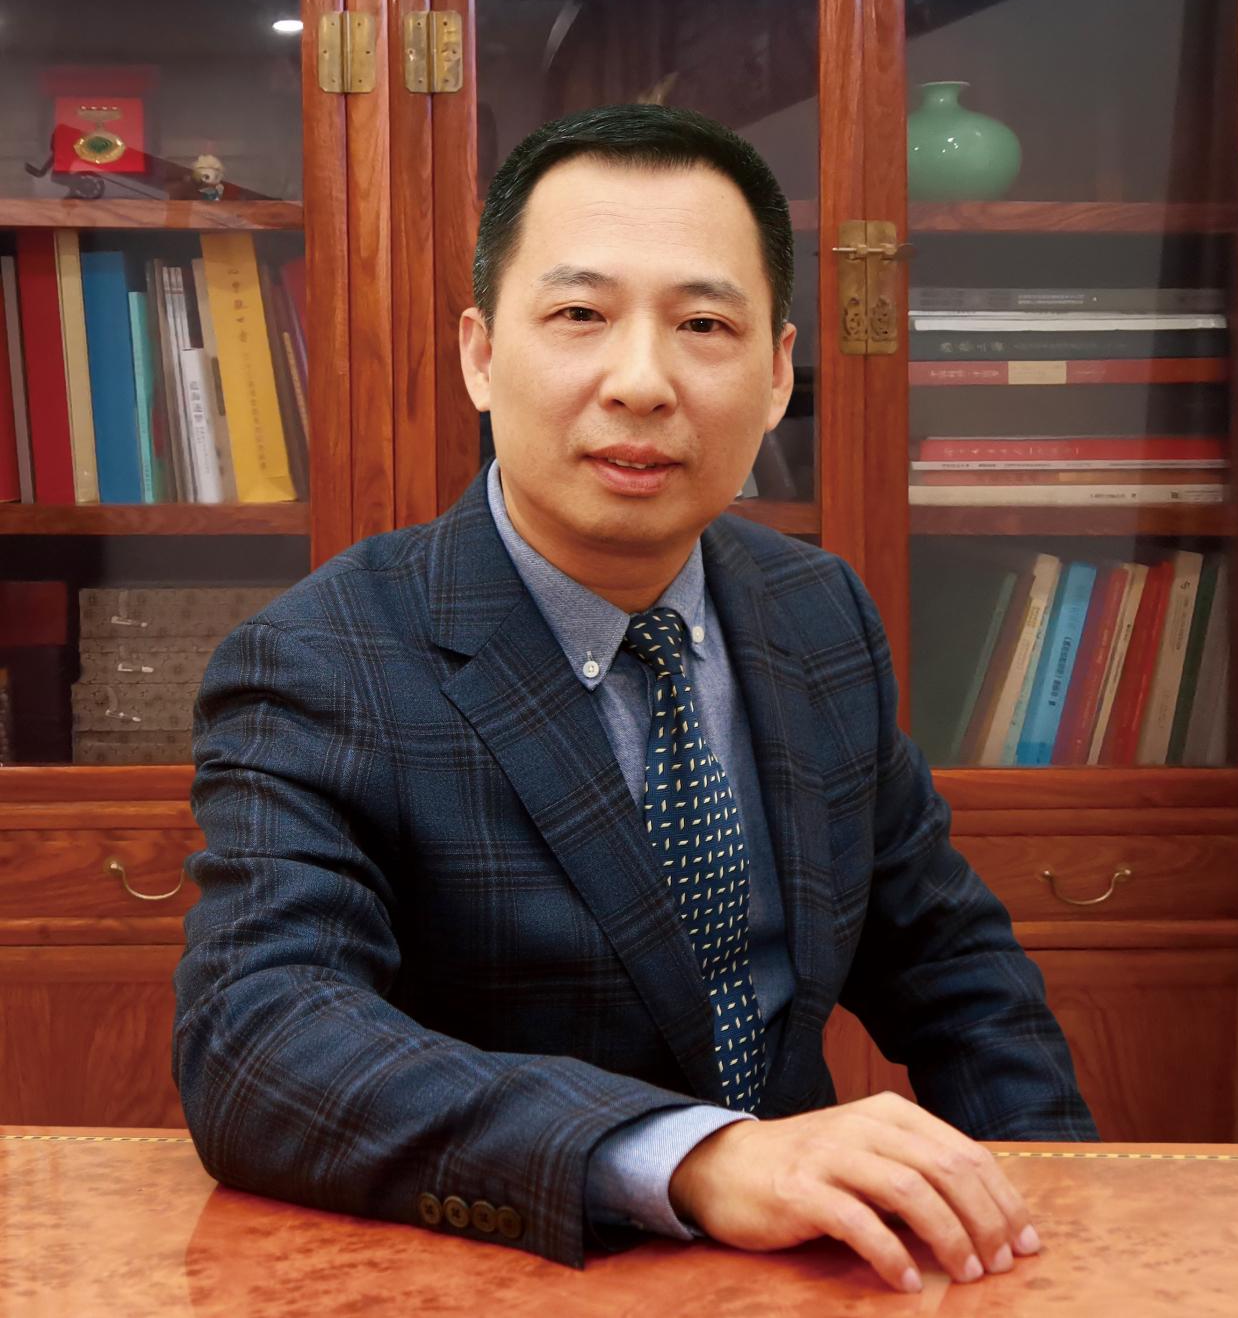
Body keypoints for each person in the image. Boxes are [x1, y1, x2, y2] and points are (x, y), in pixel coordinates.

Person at [172, 103, 1097, 1296]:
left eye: (704, 324)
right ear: (481, 355)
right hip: (504, 1274)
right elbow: (260, 1041)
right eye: (580, 315)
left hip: (806, 1277)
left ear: (777, 373)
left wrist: (1059, 1218)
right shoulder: (322, 661)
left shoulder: (817, 612)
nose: (643, 382)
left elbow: (950, 964)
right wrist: (691, 1157)